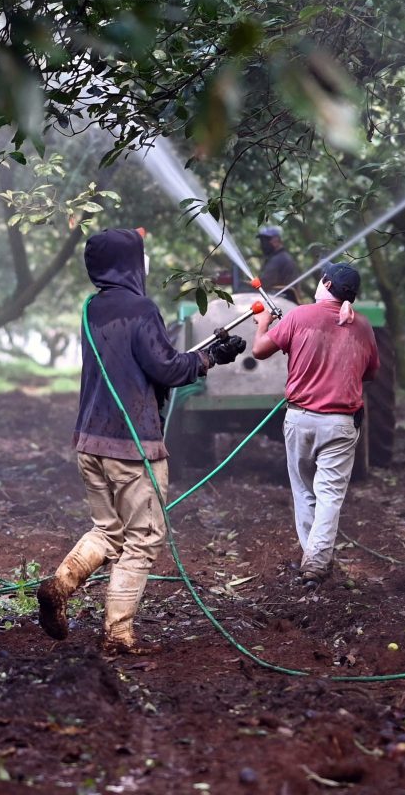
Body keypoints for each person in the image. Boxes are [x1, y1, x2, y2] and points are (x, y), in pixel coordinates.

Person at [37, 228, 246, 655]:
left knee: (107, 529)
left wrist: (195, 357)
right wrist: (211, 358)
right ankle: (117, 634)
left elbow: (134, 362)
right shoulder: (142, 308)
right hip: (131, 444)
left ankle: (60, 584)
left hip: (90, 441)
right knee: (144, 537)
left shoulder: (90, 308)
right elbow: (166, 369)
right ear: (130, 264)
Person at [251, 262, 379, 585]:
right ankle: (316, 561)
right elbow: (371, 372)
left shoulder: (298, 316)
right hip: (340, 423)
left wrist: (263, 323)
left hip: (299, 419)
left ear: (325, 283)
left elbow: (259, 349)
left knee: (305, 492)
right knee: (329, 494)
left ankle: (314, 560)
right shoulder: (362, 326)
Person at [256, 225, 301, 302]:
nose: (262, 244)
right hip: (284, 301)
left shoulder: (278, 259)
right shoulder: (281, 257)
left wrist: (247, 285)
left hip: (284, 302)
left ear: (276, 240)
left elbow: (264, 284)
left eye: (265, 240)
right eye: (262, 241)